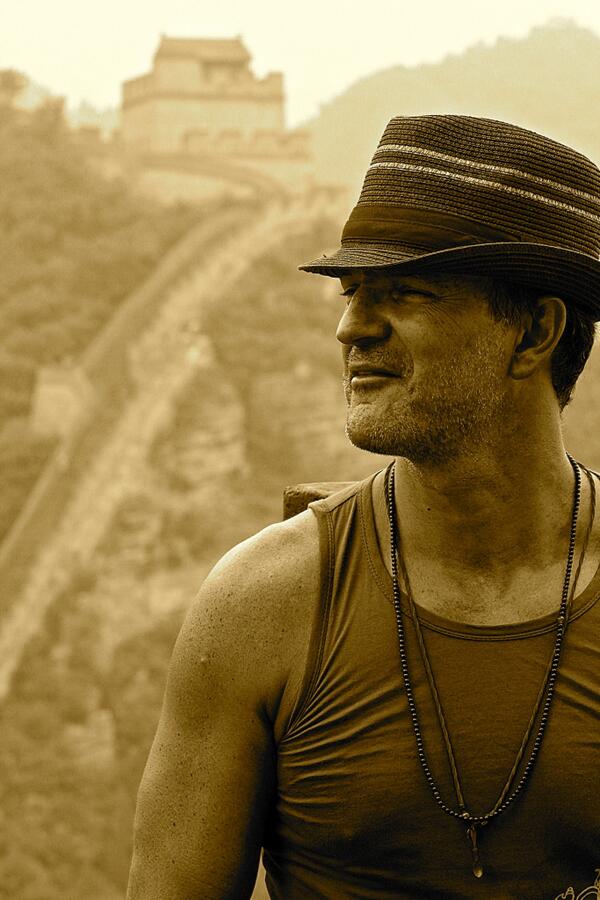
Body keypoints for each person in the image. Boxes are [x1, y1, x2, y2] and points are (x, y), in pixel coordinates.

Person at [126, 115, 600, 899]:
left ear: (534, 332)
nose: (351, 328)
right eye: (352, 293)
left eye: (403, 293)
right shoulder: (261, 606)